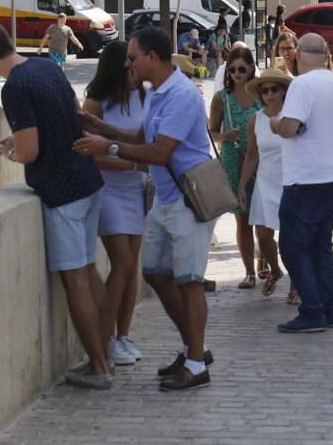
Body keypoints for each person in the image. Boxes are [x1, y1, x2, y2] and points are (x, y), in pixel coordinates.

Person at [0, 21, 111, 390]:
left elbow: (30, 152)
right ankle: (108, 351)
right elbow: (70, 115)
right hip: (87, 181)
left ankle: (99, 367)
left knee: (75, 280)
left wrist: (12, 149)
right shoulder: (45, 67)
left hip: (62, 192)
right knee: (91, 273)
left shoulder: (15, 87)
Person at [73, 26, 218, 391]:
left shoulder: (182, 95)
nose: (128, 63)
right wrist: (102, 128)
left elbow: (158, 152)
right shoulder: (157, 93)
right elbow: (143, 138)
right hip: (166, 200)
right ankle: (194, 349)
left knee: (189, 282)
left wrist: (108, 148)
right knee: (154, 273)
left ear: (152, 57)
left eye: (132, 56)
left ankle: (197, 363)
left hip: (188, 200)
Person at [269, 33, 333, 333]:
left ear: (301, 53)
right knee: (320, 246)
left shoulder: (302, 85)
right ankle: (327, 308)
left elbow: (290, 128)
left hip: (306, 179)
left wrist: (275, 121)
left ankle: (312, 310)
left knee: (293, 247)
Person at [83, 42, 149, 365]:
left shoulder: (143, 96)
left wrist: (138, 164)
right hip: (108, 192)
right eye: (130, 65)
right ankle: (104, 340)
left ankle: (123, 336)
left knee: (131, 266)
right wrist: (136, 163)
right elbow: (92, 155)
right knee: (121, 264)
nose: (135, 72)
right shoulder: (95, 104)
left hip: (135, 191)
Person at [209, 47, 262, 288]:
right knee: (243, 219)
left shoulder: (263, 93)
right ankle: (249, 271)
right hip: (233, 159)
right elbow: (211, 133)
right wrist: (225, 137)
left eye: (242, 68)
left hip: (262, 160)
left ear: (251, 68)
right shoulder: (222, 98)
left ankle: (265, 259)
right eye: (232, 69)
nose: (237, 73)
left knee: (263, 217)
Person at [238, 68, 291, 298]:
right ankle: (276, 269)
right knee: (263, 235)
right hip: (265, 181)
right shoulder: (256, 120)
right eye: (264, 90)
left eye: (273, 89)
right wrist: (241, 186)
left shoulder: (294, 117)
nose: (269, 94)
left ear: (283, 91)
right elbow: (251, 155)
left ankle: (296, 284)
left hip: (291, 181)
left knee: (291, 237)